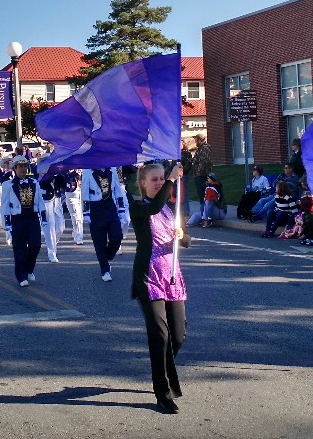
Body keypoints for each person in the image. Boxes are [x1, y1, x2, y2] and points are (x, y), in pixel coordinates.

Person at [130, 162, 188, 415]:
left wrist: (181, 234)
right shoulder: (139, 207)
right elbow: (153, 207)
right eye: (154, 179)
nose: (160, 182)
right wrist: (172, 180)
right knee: (160, 336)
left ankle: (163, 370)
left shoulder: (169, 209)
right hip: (149, 278)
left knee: (178, 336)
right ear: (143, 183)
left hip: (172, 276)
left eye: (162, 178)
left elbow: (187, 241)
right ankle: (162, 393)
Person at [0, 156, 47, 287]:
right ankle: (21, 275)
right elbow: (4, 205)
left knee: (35, 245)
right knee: (19, 249)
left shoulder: (34, 182)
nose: (23, 169)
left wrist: (44, 218)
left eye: (25, 166)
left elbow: (40, 201)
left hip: (32, 217)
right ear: (15, 168)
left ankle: (29, 268)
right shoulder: (8, 185)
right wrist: (7, 224)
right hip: (18, 219)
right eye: (20, 166)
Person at [82, 167, 129, 282]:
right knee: (99, 242)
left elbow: (117, 190)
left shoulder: (112, 169)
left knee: (117, 236)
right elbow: (84, 192)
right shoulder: (88, 171)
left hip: (110, 206)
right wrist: (86, 212)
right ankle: (105, 269)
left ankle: (108, 255)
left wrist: (121, 209)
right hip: (95, 209)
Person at [190, 135, 212, 205]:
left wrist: (198, 172)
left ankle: (205, 209)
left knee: (203, 193)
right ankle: (203, 208)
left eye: (196, 140)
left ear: (200, 140)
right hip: (199, 175)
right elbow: (196, 160)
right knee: (200, 193)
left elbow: (203, 162)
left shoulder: (204, 149)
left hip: (202, 175)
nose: (195, 142)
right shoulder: (200, 149)